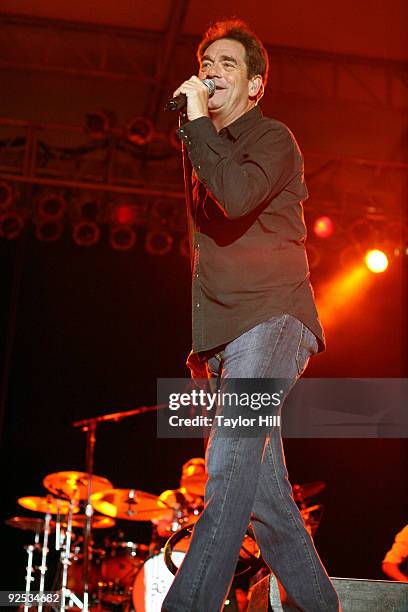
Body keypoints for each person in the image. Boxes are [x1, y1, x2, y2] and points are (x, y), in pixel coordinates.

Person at [162, 19, 341, 612]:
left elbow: (237, 198)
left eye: (227, 63)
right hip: (230, 338)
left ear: (256, 85)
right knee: (266, 501)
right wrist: (203, 348)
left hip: (272, 322)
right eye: (205, 61)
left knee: (229, 466)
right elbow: (208, 259)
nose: (211, 70)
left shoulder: (273, 140)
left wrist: (195, 126)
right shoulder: (201, 150)